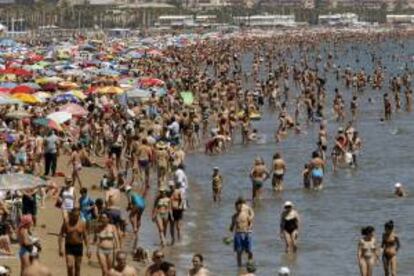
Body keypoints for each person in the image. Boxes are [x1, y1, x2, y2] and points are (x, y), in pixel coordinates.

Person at [58, 208, 90, 276]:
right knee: (69, 266)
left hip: (79, 246)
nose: (76, 217)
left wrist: (88, 249)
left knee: (77, 267)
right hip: (69, 246)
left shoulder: (82, 223)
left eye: (77, 216)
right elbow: (61, 234)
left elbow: (85, 236)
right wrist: (60, 248)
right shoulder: (66, 222)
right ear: (71, 215)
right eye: (74, 216)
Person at [229, 199, 254, 267]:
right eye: (236, 206)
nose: (238, 208)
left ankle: (250, 263)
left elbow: (251, 223)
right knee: (239, 252)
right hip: (238, 234)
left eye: (239, 206)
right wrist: (229, 236)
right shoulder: (234, 216)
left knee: (249, 251)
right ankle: (239, 266)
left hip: (247, 233)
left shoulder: (246, 214)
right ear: (235, 207)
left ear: (242, 207)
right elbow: (231, 227)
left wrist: (250, 228)